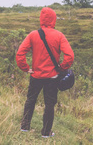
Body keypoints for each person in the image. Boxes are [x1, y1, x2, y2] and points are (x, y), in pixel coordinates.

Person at [16, 7, 74, 138]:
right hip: (52, 77)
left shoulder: (33, 35)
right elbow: (70, 56)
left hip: (35, 75)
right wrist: (61, 67)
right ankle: (46, 133)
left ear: (41, 19)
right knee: (49, 104)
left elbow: (20, 54)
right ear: (53, 19)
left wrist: (25, 68)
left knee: (30, 100)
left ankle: (24, 127)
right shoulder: (59, 35)